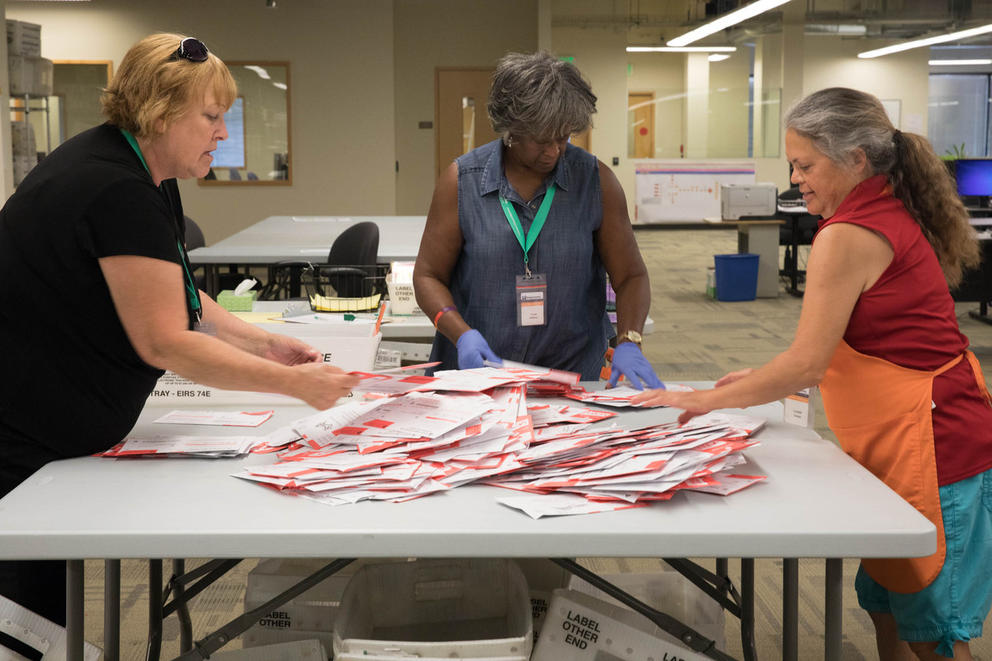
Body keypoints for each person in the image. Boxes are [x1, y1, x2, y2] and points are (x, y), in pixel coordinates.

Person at [0, 33, 357, 624]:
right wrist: (293, 386)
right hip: (21, 447)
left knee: (49, 610)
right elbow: (165, 341)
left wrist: (267, 341)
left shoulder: (142, 174)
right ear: (160, 114)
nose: (222, 133)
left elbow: (184, 296)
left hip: (53, 435)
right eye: (212, 117)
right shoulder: (115, 188)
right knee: (29, 624)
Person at [634, 87, 992, 660]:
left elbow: (807, 362)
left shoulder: (847, 234)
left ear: (855, 159)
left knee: (932, 627)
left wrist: (698, 400)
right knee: (887, 602)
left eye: (806, 164)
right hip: (902, 436)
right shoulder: (881, 209)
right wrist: (766, 374)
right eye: (792, 164)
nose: (796, 178)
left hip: (934, 445)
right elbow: (861, 342)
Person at [414, 51, 661, 388]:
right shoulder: (462, 182)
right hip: (479, 377)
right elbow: (428, 276)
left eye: (564, 137)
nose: (555, 151)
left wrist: (630, 341)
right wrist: (461, 335)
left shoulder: (594, 182)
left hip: (573, 378)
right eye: (542, 140)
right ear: (511, 128)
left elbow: (631, 275)